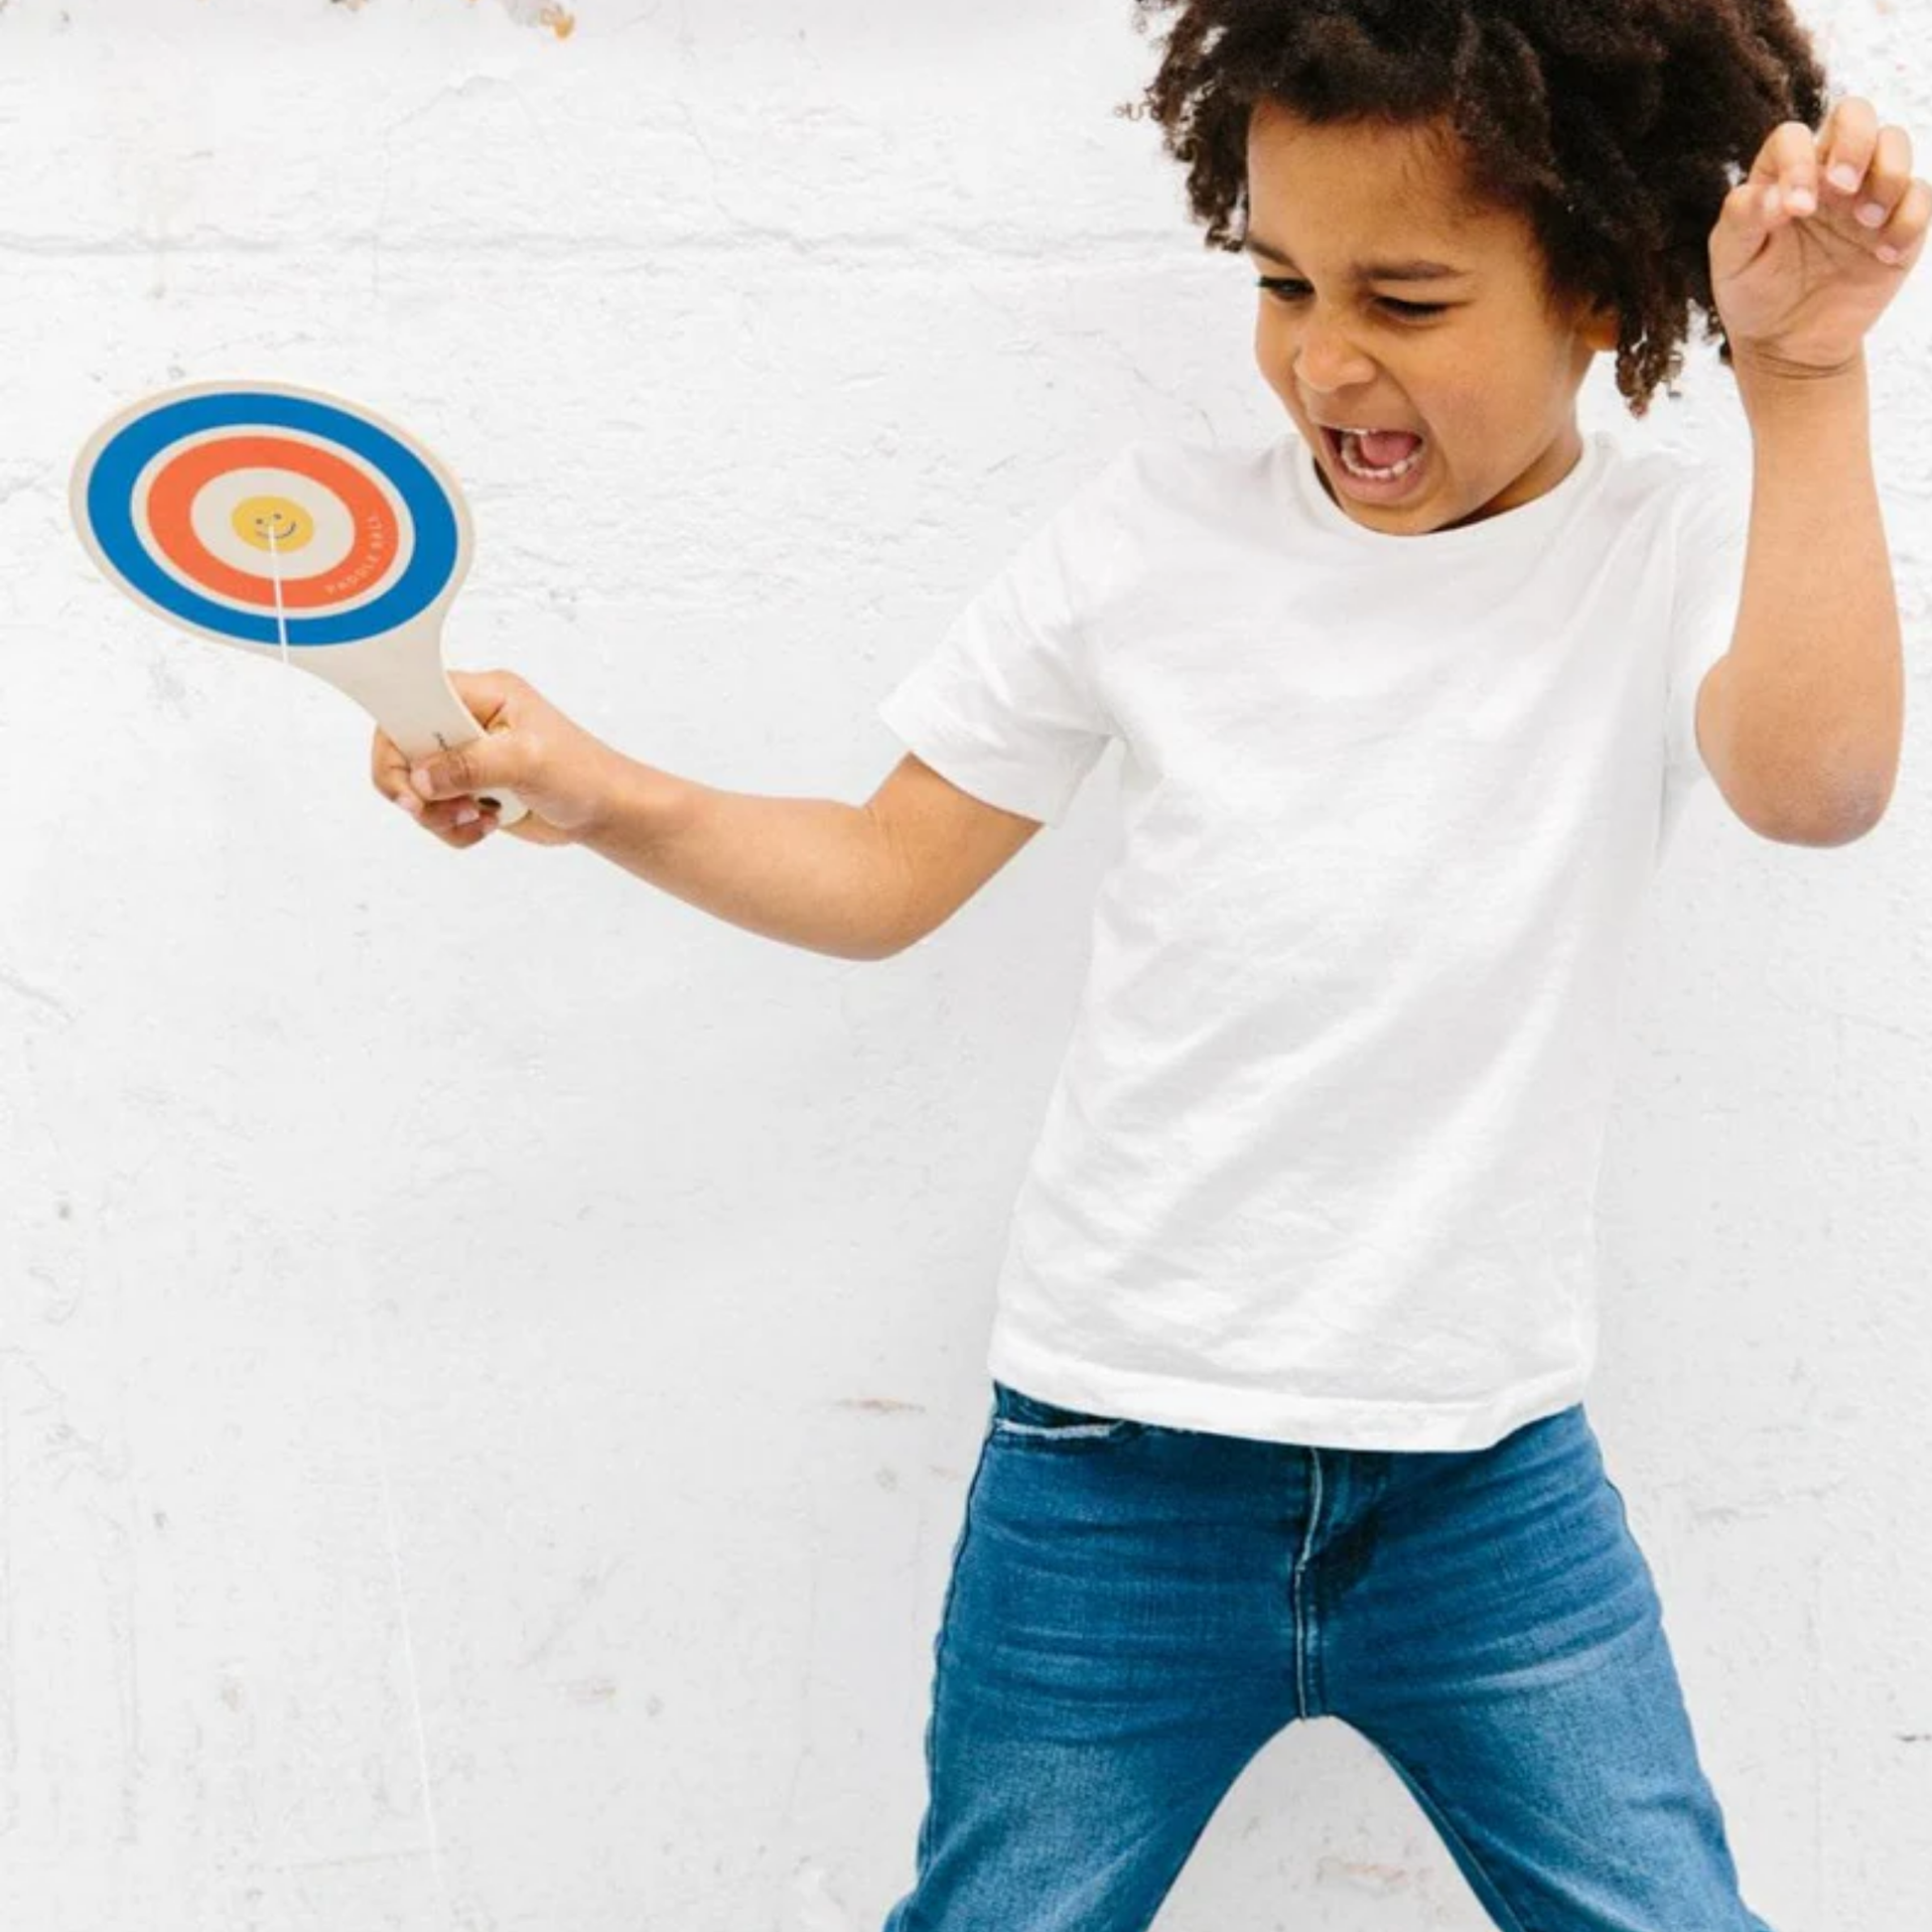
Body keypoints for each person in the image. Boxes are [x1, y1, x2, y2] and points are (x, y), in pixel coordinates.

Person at [372, 4, 1920, 1924]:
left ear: (1602, 289)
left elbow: (1821, 783)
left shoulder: (1666, 548)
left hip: (1482, 1481)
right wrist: (594, 790)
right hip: (1107, 1474)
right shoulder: (1147, 543)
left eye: (1409, 298)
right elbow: (876, 871)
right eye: (1279, 281)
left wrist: (1801, 377)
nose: (1323, 356)